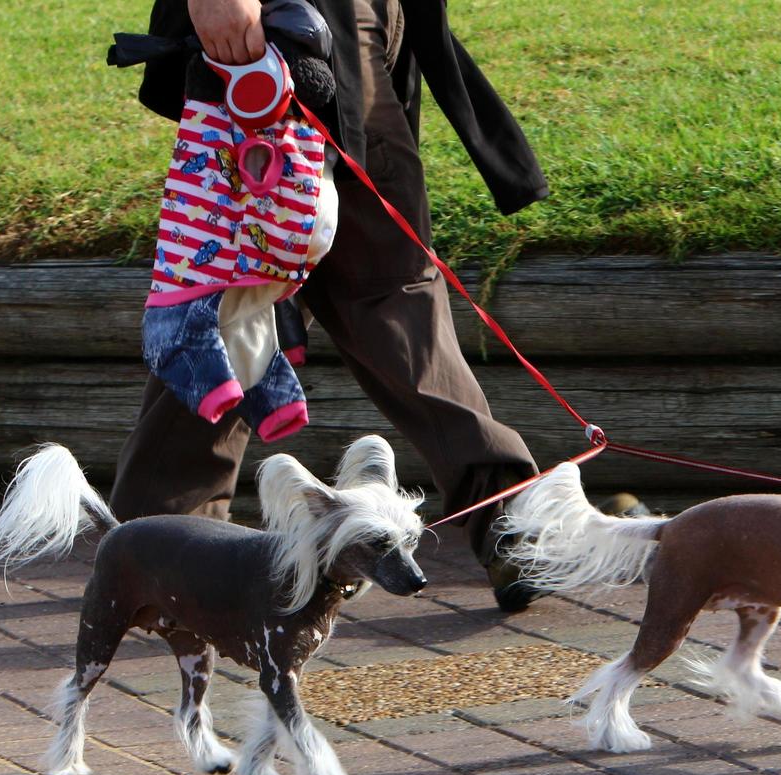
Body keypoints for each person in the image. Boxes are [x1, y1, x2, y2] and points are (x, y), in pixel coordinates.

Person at [110, 0, 559, 611]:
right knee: (255, 296)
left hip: (345, 23)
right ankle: (156, 551)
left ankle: (153, 550)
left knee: (246, 296)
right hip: (281, 26)